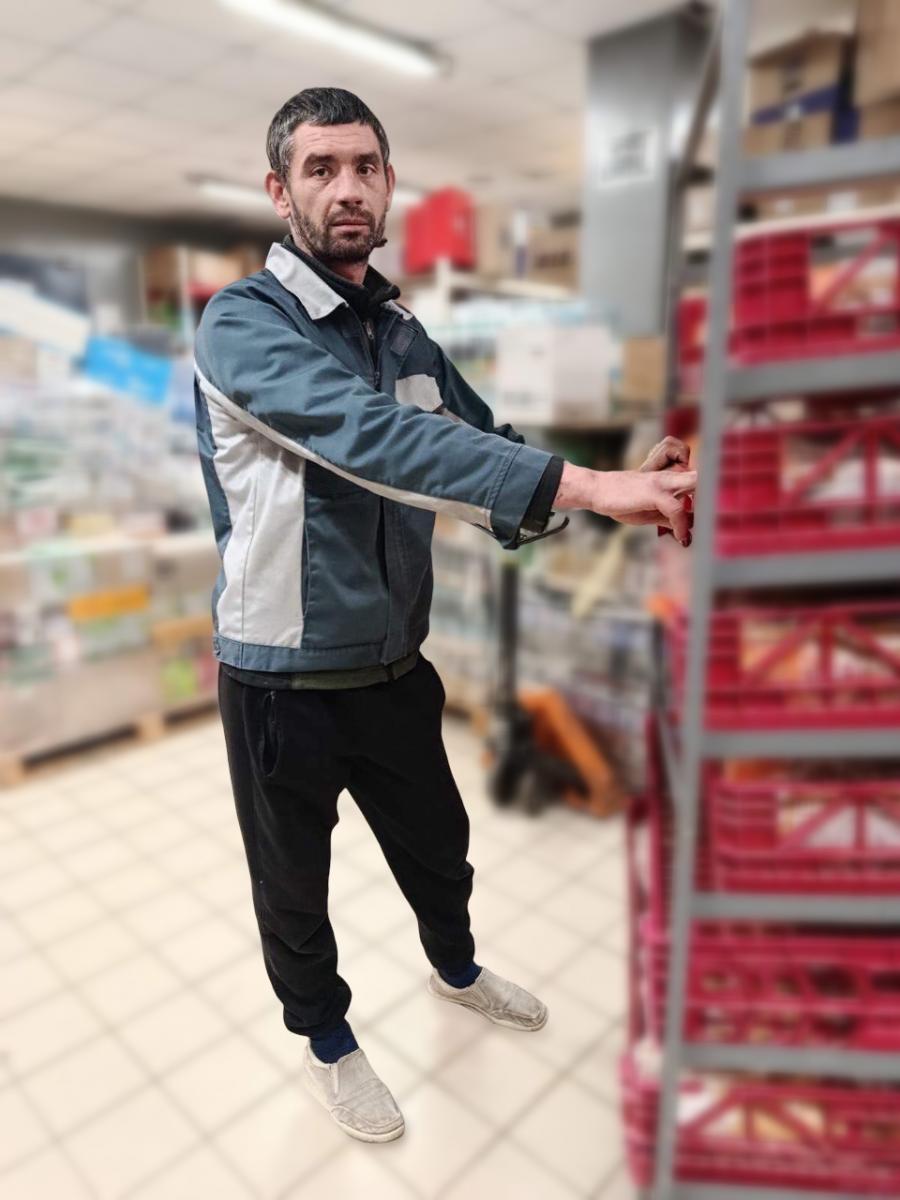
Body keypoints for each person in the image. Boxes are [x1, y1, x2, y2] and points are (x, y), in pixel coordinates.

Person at [193, 87, 695, 1144]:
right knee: (294, 887)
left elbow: (482, 450)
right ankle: (327, 1040)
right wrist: (597, 488)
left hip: (393, 667)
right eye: (321, 168)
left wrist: (618, 490)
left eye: (366, 166)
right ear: (279, 190)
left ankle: (456, 970)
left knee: (441, 848)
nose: (347, 188)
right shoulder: (242, 324)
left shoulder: (402, 334)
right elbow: (373, 439)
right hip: (279, 678)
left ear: (389, 185)